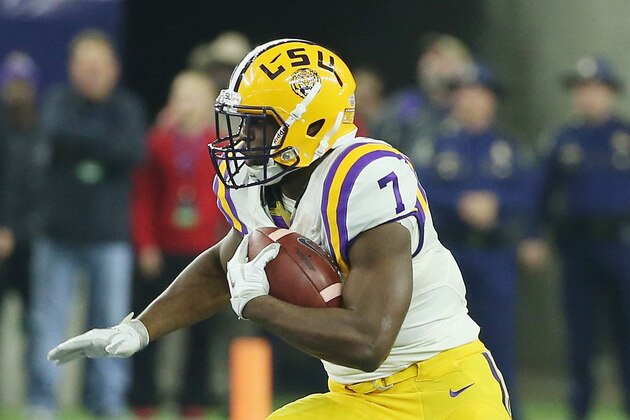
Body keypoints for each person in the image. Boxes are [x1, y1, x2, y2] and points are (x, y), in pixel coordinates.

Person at [48, 39, 512, 419]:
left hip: (442, 389)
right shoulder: (258, 187)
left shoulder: (362, 179)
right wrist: (140, 330)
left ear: (308, 125)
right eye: (240, 123)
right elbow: (221, 265)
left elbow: (369, 340)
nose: (241, 140)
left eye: (257, 127)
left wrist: (259, 308)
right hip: (353, 398)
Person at [27, 29, 146, 418]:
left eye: (99, 66)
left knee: (113, 328)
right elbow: (54, 132)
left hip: (109, 237)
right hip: (57, 235)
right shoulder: (59, 101)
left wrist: (79, 148)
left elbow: (130, 151)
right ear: (72, 69)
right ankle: (42, 402)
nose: (92, 74)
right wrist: (100, 148)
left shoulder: (127, 107)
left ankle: (108, 404)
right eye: (84, 65)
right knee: (48, 322)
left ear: (114, 69)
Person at [419, 62, 540, 419]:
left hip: (495, 252)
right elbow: (417, 190)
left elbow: (529, 193)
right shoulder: (435, 144)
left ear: (492, 101)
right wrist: (460, 203)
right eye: (464, 92)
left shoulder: (507, 146)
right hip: (449, 253)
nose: (471, 100)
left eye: (479, 93)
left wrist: (496, 204)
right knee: (439, 338)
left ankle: (506, 411)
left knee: (499, 339)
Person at [524, 55, 630, 420]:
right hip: (578, 248)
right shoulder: (562, 140)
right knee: (580, 339)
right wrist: (533, 236)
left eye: (595, 88)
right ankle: (580, 410)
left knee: (627, 336)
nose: (587, 97)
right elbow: (539, 194)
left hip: (622, 246)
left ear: (610, 92)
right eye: (580, 89)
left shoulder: (625, 137)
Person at [130, 69, 229, 418]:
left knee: (201, 333)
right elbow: (143, 197)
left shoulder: (221, 147)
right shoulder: (156, 142)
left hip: (204, 251)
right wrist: (145, 245)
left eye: (193, 96)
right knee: (150, 324)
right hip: (162, 249)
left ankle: (194, 400)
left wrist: (226, 245)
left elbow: (227, 200)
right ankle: (144, 399)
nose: (185, 103)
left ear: (208, 103)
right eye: (180, 95)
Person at [0, 51, 47, 359]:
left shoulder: (45, 128)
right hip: (2, 237)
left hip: (37, 239)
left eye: (23, 83)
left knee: (37, 321)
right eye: (11, 83)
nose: (17, 90)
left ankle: (37, 398)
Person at [373, 33, 471, 169]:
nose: (428, 63)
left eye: (439, 57)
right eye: (427, 56)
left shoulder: (468, 109)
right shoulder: (406, 103)